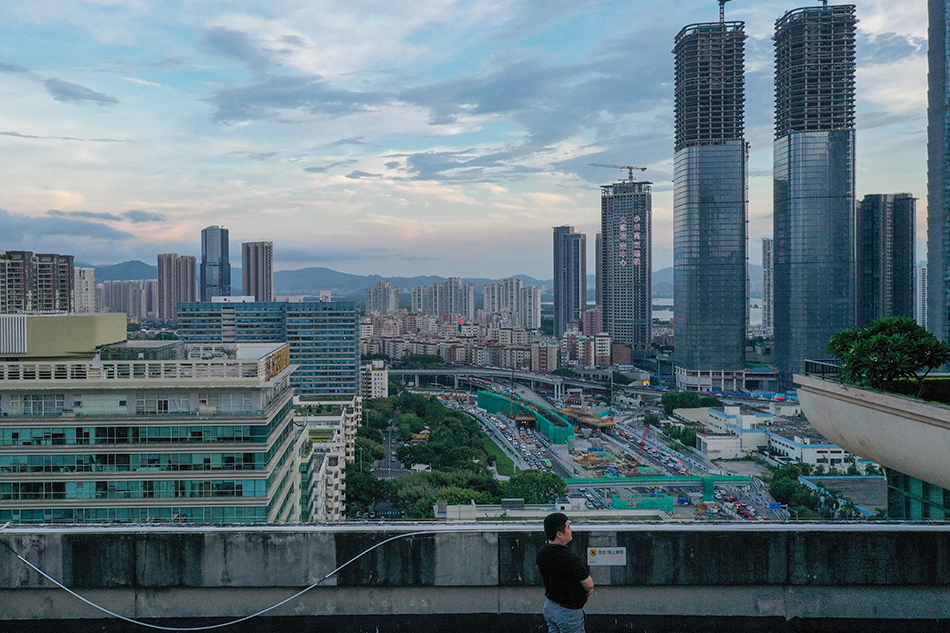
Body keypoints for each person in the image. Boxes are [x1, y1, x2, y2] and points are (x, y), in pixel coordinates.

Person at [536, 512, 594, 633]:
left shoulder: (542, 551)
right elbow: (588, 583)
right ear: (560, 534)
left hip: (550, 606)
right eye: (568, 527)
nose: (571, 530)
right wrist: (588, 591)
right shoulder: (568, 557)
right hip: (568, 612)